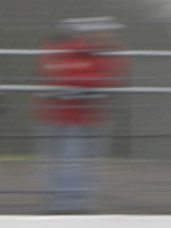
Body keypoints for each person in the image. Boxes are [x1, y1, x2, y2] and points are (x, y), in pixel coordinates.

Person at [35, 17, 129, 213]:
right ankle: (66, 203)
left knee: (76, 161)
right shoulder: (64, 50)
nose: (109, 36)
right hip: (61, 115)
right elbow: (55, 73)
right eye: (105, 32)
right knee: (67, 160)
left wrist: (82, 82)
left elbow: (111, 77)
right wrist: (84, 81)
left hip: (84, 116)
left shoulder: (103, 52)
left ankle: (73, 202)